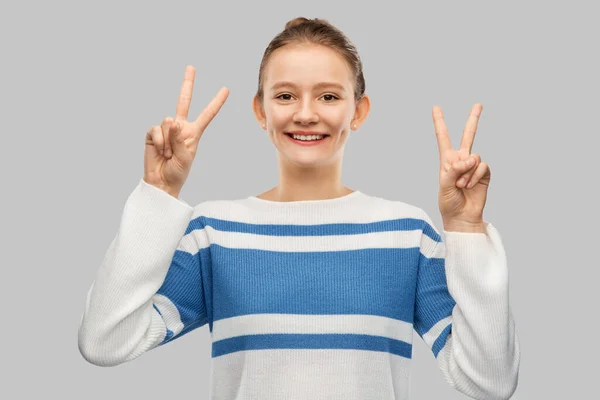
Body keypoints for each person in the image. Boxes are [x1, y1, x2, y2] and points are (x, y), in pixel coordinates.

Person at [78, 17, 520, 400]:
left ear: (358, 111)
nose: (306, 114)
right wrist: (158, 193)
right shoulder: (215, 231)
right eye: (285, 96)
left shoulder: (405, 233)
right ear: (260, 110)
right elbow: (105, 341)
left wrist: (465, 227)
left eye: (328, 96)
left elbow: (490, 380)